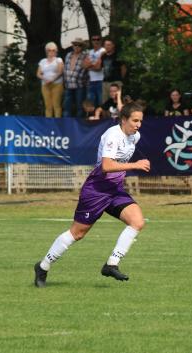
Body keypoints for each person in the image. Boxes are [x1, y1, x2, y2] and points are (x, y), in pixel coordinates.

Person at [33, 102, 151, 287]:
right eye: (135, 120)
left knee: (137, 222)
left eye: (140, 121)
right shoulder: (113, 135)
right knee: (77, 234)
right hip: (96, 189)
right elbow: (107, 166)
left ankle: (111, 264)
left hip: (115, 190)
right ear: (123, 119)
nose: (138, 125)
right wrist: (135, 165)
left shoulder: (134, 137)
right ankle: (43, 266)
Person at [37, 42, 64, 117]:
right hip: (45, 85)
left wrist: (51, 80)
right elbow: (38, 73)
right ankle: (48, 123)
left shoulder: (58, 60)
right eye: (49, 50)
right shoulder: (43, 61)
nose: (51, 52)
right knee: (47, 106)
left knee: (56, 105)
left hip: (57, 84)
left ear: (56, 51)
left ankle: (57, 123)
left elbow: (60, 71)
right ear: (46, 51)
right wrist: (44, 79)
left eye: (53, 50)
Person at [63, 38, 88, 118]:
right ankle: (66, 124)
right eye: (75, 45)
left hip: (79, 85)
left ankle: (79, 126)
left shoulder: (85, 56)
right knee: (67, 107)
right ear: (73, 46)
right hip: (68, 85)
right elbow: (65, 68)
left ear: (82, 47)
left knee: (80, 107)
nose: (77, 47)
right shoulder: (68, 55)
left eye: (79, 45)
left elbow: (87, 69)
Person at [84, 35, 105, 107]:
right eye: (94, 39)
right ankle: (93, 117)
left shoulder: (103, 51)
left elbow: (98, 67)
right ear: (91, 41)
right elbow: (84, 65)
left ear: (101, 41)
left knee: (101, 101)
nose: (96, 41)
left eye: (98, 39)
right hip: (91, 80)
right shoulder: (90, 52)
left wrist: (89, 66)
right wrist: (92, 65)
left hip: (101, 80)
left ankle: (102, 118)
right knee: (91, 102)